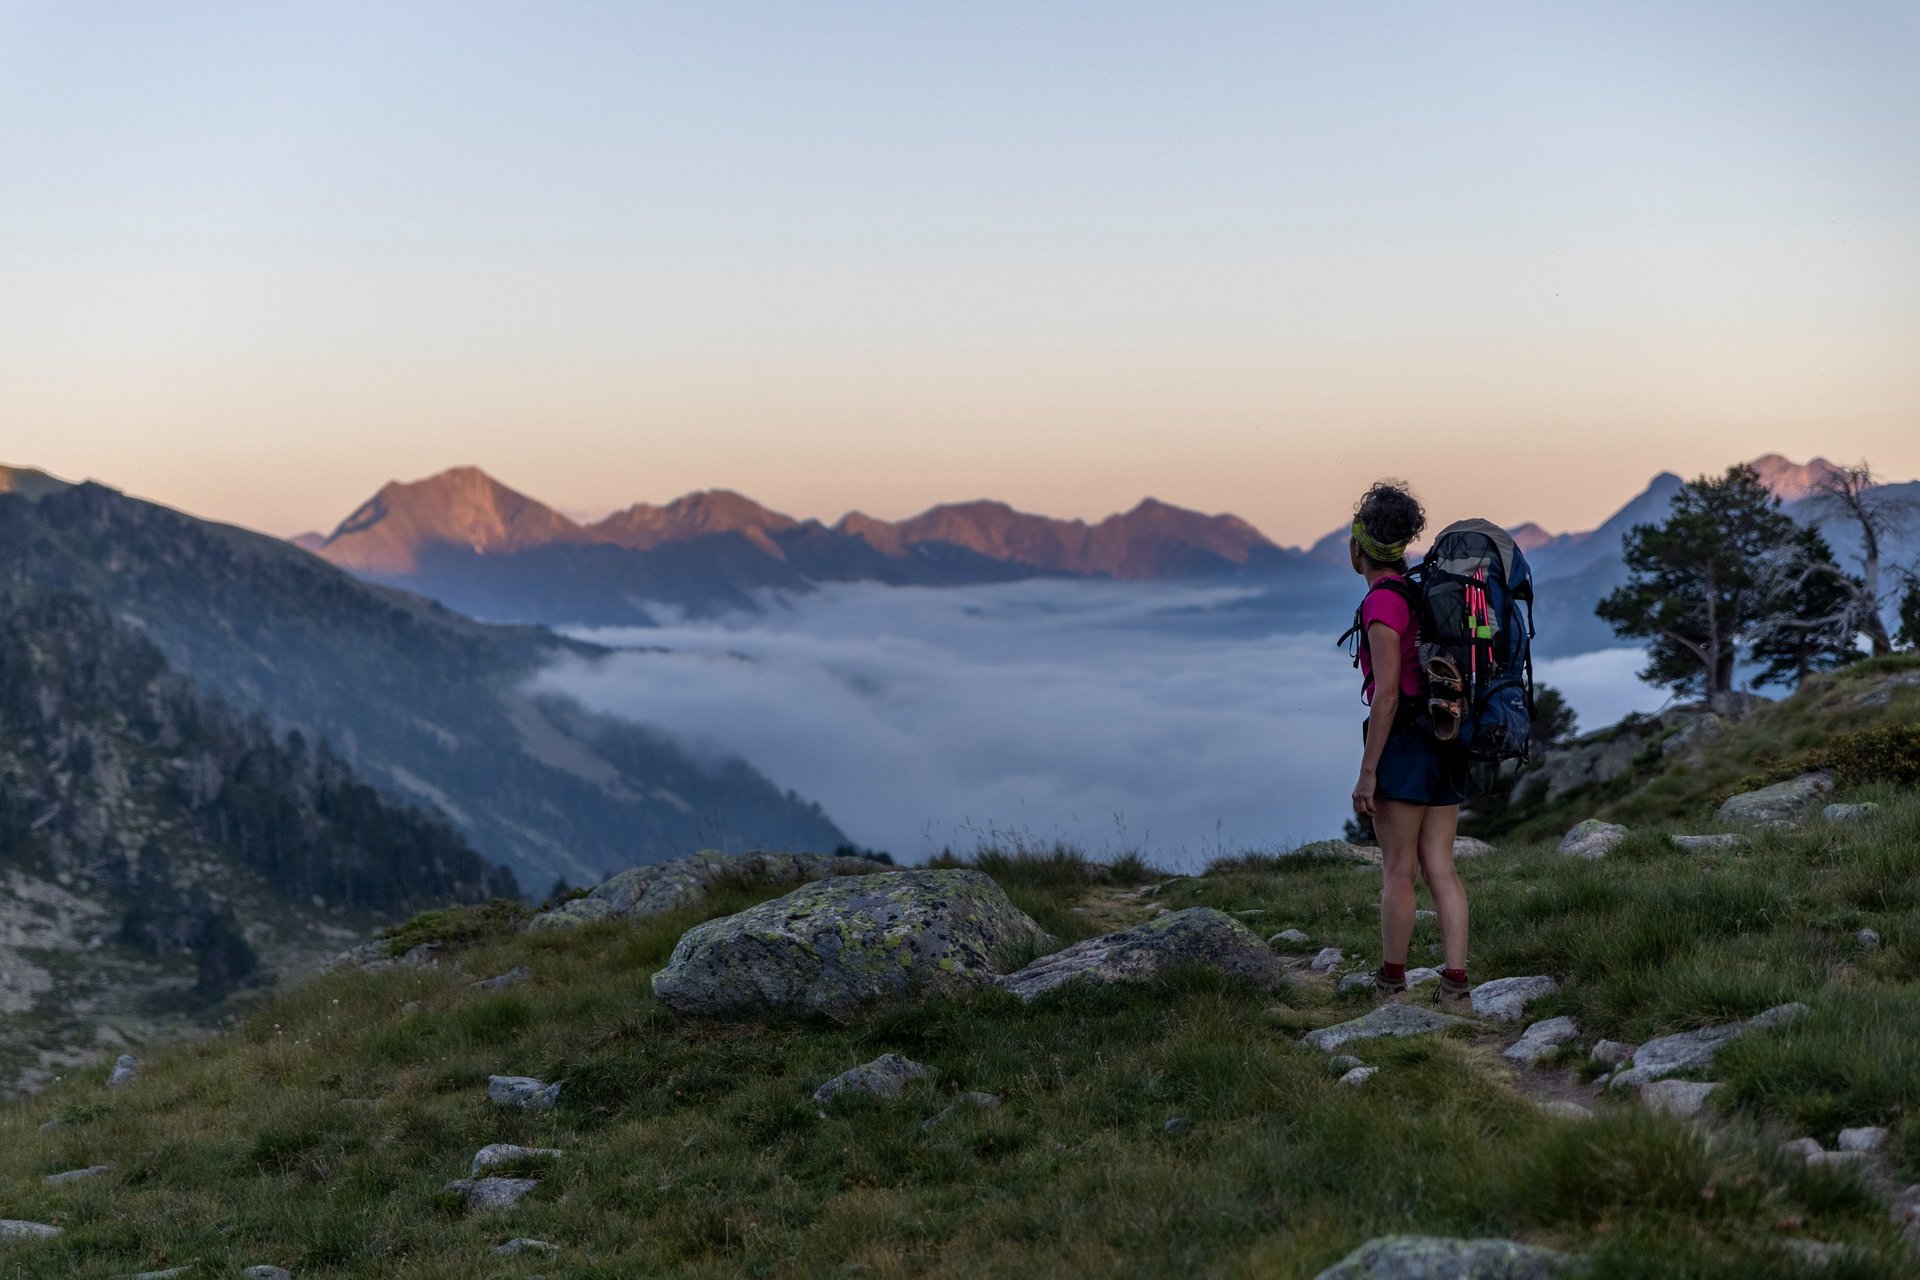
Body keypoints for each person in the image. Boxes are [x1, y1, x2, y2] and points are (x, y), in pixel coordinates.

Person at [1347, 481, 1471, 1007]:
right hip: (1446, 737)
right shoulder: (1422, 593)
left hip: (1404, 745)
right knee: (1441, 868)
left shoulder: (1381, 603)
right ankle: (1456, 987)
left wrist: (1369, 771)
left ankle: (1393, 984)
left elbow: (1390, 692)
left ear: (1360, 548)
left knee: (1398, 871)